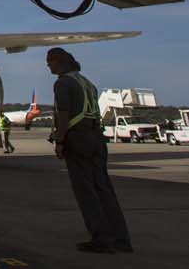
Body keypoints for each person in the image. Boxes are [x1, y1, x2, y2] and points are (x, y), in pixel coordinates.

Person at [48, 48, 131, 255]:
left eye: (50, 61)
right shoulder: (88, 83)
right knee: (104, 189)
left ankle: (101, 239)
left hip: (78, 139)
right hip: (96, 138)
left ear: (60, 62)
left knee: (86, 191)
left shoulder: (62, 83)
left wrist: (59, 141)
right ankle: (121, 239)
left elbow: (64, 116)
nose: (48, 65)